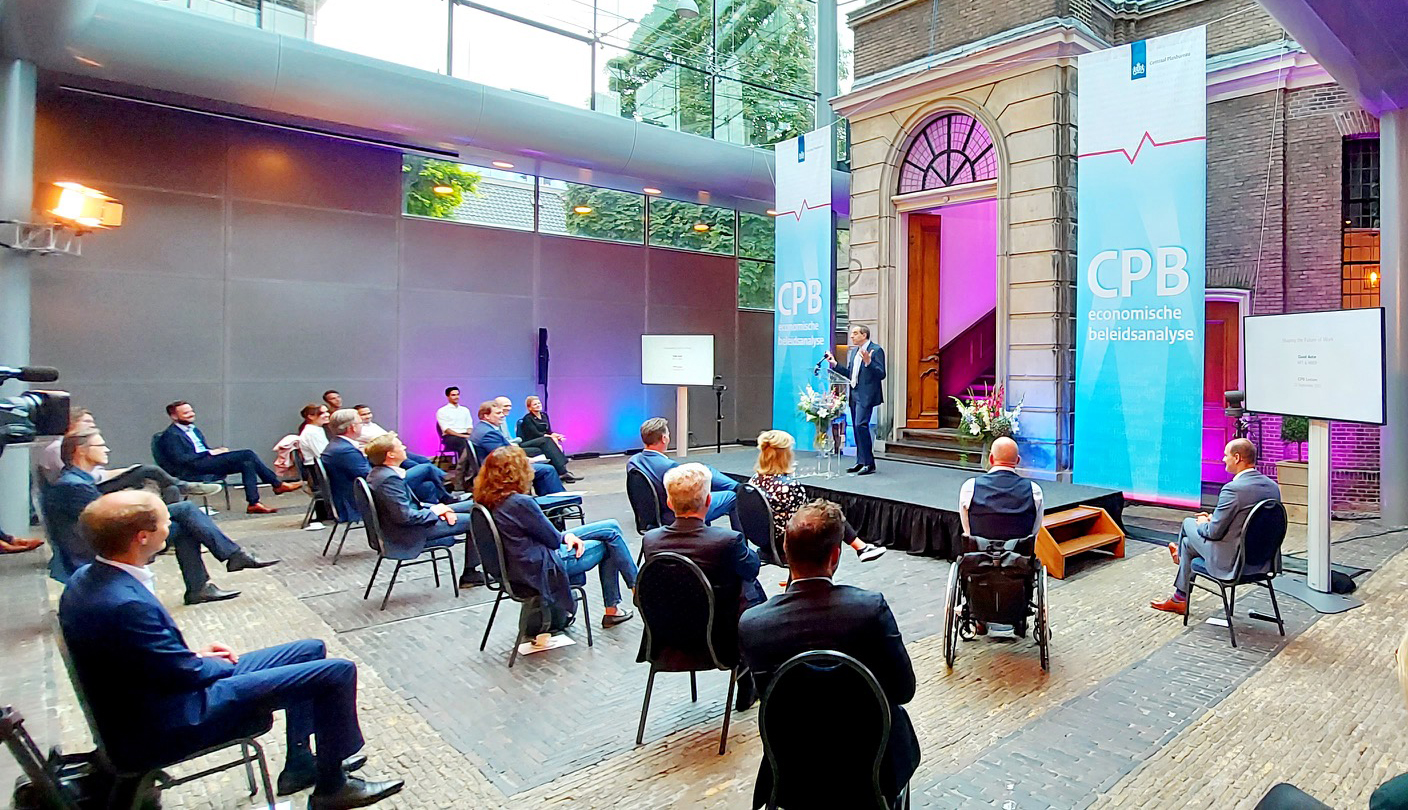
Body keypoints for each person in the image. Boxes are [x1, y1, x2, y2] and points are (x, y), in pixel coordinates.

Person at [58, 490, 404, 809]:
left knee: (310, 650)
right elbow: (184, 674)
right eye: (166, 521)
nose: (171, 527)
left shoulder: (90, 578)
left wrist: (194, 658)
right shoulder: (124, 603)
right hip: (172, 717)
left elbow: (145, 658)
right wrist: (207, 664)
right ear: (142, 537)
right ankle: (333, 786)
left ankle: (300, 765)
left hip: (159, 693)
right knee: (337, 672)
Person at [739, 500, 919, 808]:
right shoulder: (869, 610)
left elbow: (769, 697)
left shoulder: (754, 624)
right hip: (871, 766)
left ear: (785, 550)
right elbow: (904, 689)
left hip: (792, 768)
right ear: (835, 556)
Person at [44, 429, 276, 602]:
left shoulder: (75, 480)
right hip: (100, 548)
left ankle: (201, 586)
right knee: (185, 510)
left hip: (104, 540)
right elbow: (106, 522)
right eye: (100, 445)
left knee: (187, 523)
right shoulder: (73, 485)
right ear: (81, 451)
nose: (106, 449)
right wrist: (144, 503)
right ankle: (231, 557)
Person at [642, 463, 765, 708]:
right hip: (721, 637)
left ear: (669, 503)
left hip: (667, 635)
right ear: (709, 501)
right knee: (751, 587)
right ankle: (752, 678)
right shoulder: (727, 540)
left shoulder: (651, 541)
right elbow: (752, 568)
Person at [474, 446, 637, 629]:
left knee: (611, 528)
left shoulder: (485, 501)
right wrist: (565, 538)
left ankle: (632, 590)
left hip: (518, 565)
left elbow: (549, 536)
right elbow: (552, 539)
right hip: (540, 567)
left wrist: (566, 537)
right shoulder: (520, 503)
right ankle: (625, 598)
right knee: (610, 540)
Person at [1152, 438, 1281, 616]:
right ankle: (1179, 599)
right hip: (1263, 562)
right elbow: (1248, 521)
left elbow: (1213, 532)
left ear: (1237, 458)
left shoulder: (1233, 489)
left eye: (1225, 455)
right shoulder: (1273, 487)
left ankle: (1179, 557)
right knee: (1189, 544)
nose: (1222, 459)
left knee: (1189, 523)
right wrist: (1215, 519)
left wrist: (1205, 522)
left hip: (1232, 562)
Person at [364, 434, 484, 588]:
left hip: (413, 519)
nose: (404, 447)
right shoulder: (389, 479)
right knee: (475, 520)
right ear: (390, 454)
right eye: (400, 445)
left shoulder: (380, 473)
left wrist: (438, 508)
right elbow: (406, 517)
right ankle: (470, 574)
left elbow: (409, 506)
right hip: (409, 531)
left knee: (473, 505)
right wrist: (436, 512)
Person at [750, 430, 885, 564]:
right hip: (788, 542)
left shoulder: (753, 481)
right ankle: (860, 548)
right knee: (833, 518)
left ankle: (862, 547)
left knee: (827, 510)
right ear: (785, 456)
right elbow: (801, 519)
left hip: (765, 540)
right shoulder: (789, 486)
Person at [36, 407, 222, 503]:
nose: (92, 427)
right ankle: (184, 487)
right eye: (87, 423)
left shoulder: (76, 445)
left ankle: (168, 531)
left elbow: (97, 473)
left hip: (95, 483)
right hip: (89, 490)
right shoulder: (58, 448)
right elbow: (79, 479)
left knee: (164, 485)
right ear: (72, 424)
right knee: (147, 471)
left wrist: (128, 471)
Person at [157, 401, 302, 514]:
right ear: (174, 416)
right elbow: (180, 459)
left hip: (206, 461)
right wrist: (209, 453)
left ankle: (253, 504)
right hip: (193, 467)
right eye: (186, 413)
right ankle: (277, 485)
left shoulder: (193, 429)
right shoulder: (170, 436)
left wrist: (213, 453)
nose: (191, 414)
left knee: (247, 463)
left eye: (191, 411)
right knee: (247, 454)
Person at [321, 410, 451, 523]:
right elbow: (369, 476)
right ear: (352, 427)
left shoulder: (339, 445)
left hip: (365, 489)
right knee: (426, 468)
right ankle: (451, 487)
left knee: (427, 486)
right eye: (360, 423)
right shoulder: (344, 450)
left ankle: (437, 511)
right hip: (365, 496)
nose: (362, 426)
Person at [627, 418, 740, 529]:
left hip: (655, 515)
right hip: (676, 514)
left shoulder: (633, 462)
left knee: (705, 473)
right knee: (732, 497)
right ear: (664, 438)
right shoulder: (668, 467)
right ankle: (738, 488)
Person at [824, 323, 886, 476]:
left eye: (855, 333)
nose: (851, 336)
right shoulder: (853, 352)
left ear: (864, 335)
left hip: (867, 395)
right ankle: (860, 462)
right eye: (852, 334)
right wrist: (835, 365)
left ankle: (869, 463)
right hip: (854, 394)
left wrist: (869, 362)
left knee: (860, 425)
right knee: (857, 429)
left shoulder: (876, 350)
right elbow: (850, 373)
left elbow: (881, 374)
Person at [471, 401, 566, 496]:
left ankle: (546, 502)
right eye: (498, 413)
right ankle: (560, 502)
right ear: (486, 416)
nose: (502, 415)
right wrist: (525, 460)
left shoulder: (482, 428)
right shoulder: (488, 433)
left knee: (541, 465)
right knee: (548, 469)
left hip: (497, 466)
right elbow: (503, 457)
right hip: (500, 471)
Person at [958, 436, 1044, 540]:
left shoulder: (970, 487)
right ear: (1017, 460)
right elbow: (1034, 533)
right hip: (1020, 555)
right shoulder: (1034, 491)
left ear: (990, 458)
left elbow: (968, 533)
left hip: (978, 554)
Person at [498, 395, 579, 483]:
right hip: (529, 441)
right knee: (548, 441)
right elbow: (535, 434)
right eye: (535, 404)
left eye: (538, 403)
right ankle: (562, 471)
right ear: (529, 407)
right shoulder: (527, 419)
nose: (538, 405)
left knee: (551, 443)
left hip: (539, 441)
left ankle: (560, 473)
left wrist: (555, 435)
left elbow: (548, 431)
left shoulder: (544, 415)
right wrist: (551, 437)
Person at [350, 405, 434, 465]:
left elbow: (389, 437)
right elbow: (384, 440)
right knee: (420, 467)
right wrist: (391, 436)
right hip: (384, 457)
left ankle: (441, 480)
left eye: (369, 413)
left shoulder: (373, 425)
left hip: (394, 451)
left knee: (424, 460)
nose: (368, 416)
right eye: (364, 414)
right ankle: (443, 479)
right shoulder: (358, 429)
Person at [436, 387, 473, 459]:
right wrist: (463, 436)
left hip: (465, 435)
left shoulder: (465, 410)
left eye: (457, 394)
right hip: (451, 437)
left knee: (477, 441)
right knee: (463, 443)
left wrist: (470, 435)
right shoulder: (442, 411)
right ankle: (464, 468)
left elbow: (469, 426)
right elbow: (447, 430)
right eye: (453, 395)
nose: (456, 397)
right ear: (448, 396)